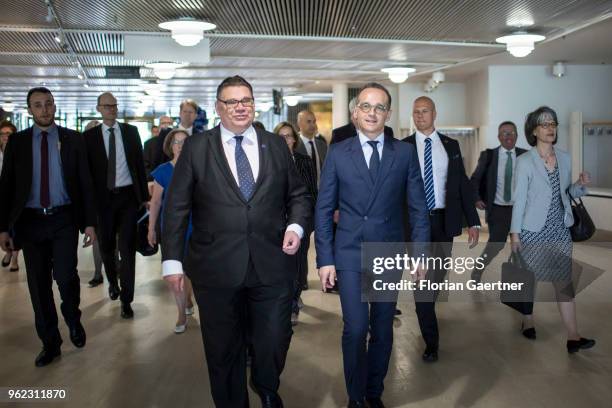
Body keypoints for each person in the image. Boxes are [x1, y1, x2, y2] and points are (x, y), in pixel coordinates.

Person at [161, 75, 311, 408]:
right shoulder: (198, 148)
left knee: (274, 337)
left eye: (246, 100)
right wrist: (172, 261)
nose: (241, 107)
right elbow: (176, 207)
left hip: (271, 262)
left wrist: (296, 228)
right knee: (222, 348)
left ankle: (266, 384)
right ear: (218, 108)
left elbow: (299, 194)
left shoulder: (274, 144)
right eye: (232, 101)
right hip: (216, 267)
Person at [316, 83, 430, 408]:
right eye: (366, 106)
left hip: (387, 252)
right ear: (355, 113)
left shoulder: (404, 153)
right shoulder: (338, 153)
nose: (372, 112)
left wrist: (420, 254)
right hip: (350, 251)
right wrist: (325, 259)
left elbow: (418, 208)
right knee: (355, 328)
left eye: (379, 107)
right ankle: (355, 397)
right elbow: (324, 209)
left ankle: (374, 392)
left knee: (382, 327)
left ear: (388, 114)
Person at [0, 87, 96, 367]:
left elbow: (86, 183)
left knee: (66, 277)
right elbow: (5, 188)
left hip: (63, 218)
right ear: (30, 110)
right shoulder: (17, 143)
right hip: (30, 222)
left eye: (48, 104)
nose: (44, 110)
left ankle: (73, 317)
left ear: (55, 106)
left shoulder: (73, 140)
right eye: (38, 105)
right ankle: (50, 343)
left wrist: (89, 223)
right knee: (38, 286)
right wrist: (3, 228)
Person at [510, 106, 595, 353]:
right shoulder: (525, 161)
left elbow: (567, 194)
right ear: (534, 130)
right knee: (529, 280)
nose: (550, 128)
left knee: (563, 283)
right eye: (545, 124)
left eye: (553, 124)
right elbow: (520, 200)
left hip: (560, 229)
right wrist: (515, 234)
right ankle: (527, 320)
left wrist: (580, 185)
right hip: (532, 231)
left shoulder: (565, 158)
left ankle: (573, 336)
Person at [403, 96, 480, 363]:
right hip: (415, 224)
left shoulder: (451, 145)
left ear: (435, 113)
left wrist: (473, 221)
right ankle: (431, 342)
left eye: (424, 111)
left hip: (444, 221)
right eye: (416, 112)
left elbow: (462, 186)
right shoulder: (402, 147)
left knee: (436, 277)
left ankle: (426, 309)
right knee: (422, 282)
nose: (420, 116)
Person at [83, 92, 149, 319]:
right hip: (103, 201)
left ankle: (126, 300)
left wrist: (144, 197)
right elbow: (87, 174)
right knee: (107, 247)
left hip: (128, 198)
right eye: (107, 106)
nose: (112, 109)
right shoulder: (89, 137)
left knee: (127, 249)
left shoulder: (131, 133)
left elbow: (139, 165)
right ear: (99, 108)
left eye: (114, 105)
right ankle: (112, 280)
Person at [147, 129, 195, 334]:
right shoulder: (163, 171)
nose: (180, 145)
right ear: (170, 146)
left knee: (191, 270)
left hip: (196, 226)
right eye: (176, 142)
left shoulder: (197, 169)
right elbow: (156, 202)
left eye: (184, 142)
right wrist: (151, 228)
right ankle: (181, 313)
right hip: (172, 229)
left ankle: (188, 298)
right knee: (175, 271)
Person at [469, 121, 527, 283]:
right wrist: (477, 198)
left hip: (520, 210)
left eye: (511, 133)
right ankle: (477, 271)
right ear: (499, 137)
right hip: (498, 210)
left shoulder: (526, 156)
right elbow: (475, 179)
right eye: (504, 133)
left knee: (520, 246)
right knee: (496, 245)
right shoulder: (489, 156)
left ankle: (517, 279)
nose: (508, 136)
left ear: (517, 136)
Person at [274, 121, 317, 326]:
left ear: (294, 139)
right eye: (280, 136)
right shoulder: (269, 161)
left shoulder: (305, 161)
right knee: (281, 265)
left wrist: (311, 220)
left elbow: (311, 192)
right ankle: (284, 301)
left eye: (288, 136)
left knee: (299, 264)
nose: (285, 140)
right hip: (275, 223)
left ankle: (293, 300)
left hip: (301, 222)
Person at [151, 100, 198, 171]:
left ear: (195, 115)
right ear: (179, 113)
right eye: (185, 111)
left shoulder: (201, 136)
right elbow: (158, 158)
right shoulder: (166, 134)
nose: (187, 115)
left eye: (190, 112)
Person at [0, 120, 21, 272]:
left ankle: (14, 258)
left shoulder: (19, 153)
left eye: (9, 134)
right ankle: (7, 251)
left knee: (14, 229)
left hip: (14, 197)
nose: (5, 137)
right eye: (2, 134)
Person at [296, 110, 327, 183]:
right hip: (303, 191)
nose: (313, 125)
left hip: (322, 190)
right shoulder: (295, 145)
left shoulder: (322, 145)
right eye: (308, 122)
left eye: (314, 121)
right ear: (299, 124)